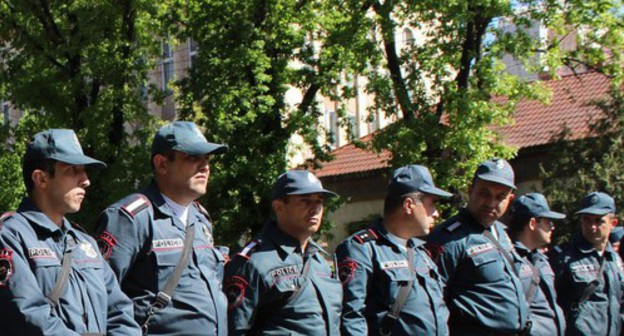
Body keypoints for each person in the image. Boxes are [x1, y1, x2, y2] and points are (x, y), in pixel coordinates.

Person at [0, 129, 140, 335]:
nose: (86, 180)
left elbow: (120, 311)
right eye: (73, 170)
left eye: (84, 171)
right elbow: (28, 317)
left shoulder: (85, 244)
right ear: (41, 179)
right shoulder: (10, 236)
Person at [95, 121, 228, 335]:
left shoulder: (201, 218)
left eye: (207, 159)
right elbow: (101, 295)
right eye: (193, 158)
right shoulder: (131, 218)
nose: (205, 166)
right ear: (162, 164)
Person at [336, 164, 451, 335]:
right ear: (409, 205)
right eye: (432, 203)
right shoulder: (362, 248)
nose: (436, 213)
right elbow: (351, 315)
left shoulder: (420, 251)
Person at [224, 170, 343, 335]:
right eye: (305, 201)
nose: (315, 208)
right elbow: (234, 329)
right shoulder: (254, 262)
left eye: (319, 201)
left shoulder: (320, 262)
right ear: (279, 206)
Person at [427, 158, 531, 335]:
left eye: (500, 197)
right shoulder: (449, 238)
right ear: (470, 189)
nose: (491, 203)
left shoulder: (502, 232)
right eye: (484, 194)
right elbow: (433, 302)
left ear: (510, 200)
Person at [550, 191, 624, 336]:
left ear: (613, 223)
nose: (592, 227)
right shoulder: (563, 258)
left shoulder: (615, 259)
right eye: (587, 220)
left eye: (598, 221)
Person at [507, 193, 566, 336]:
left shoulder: (540, 259)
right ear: (533, 223)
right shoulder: (508, 258)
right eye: (548, 222)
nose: (552, 227)